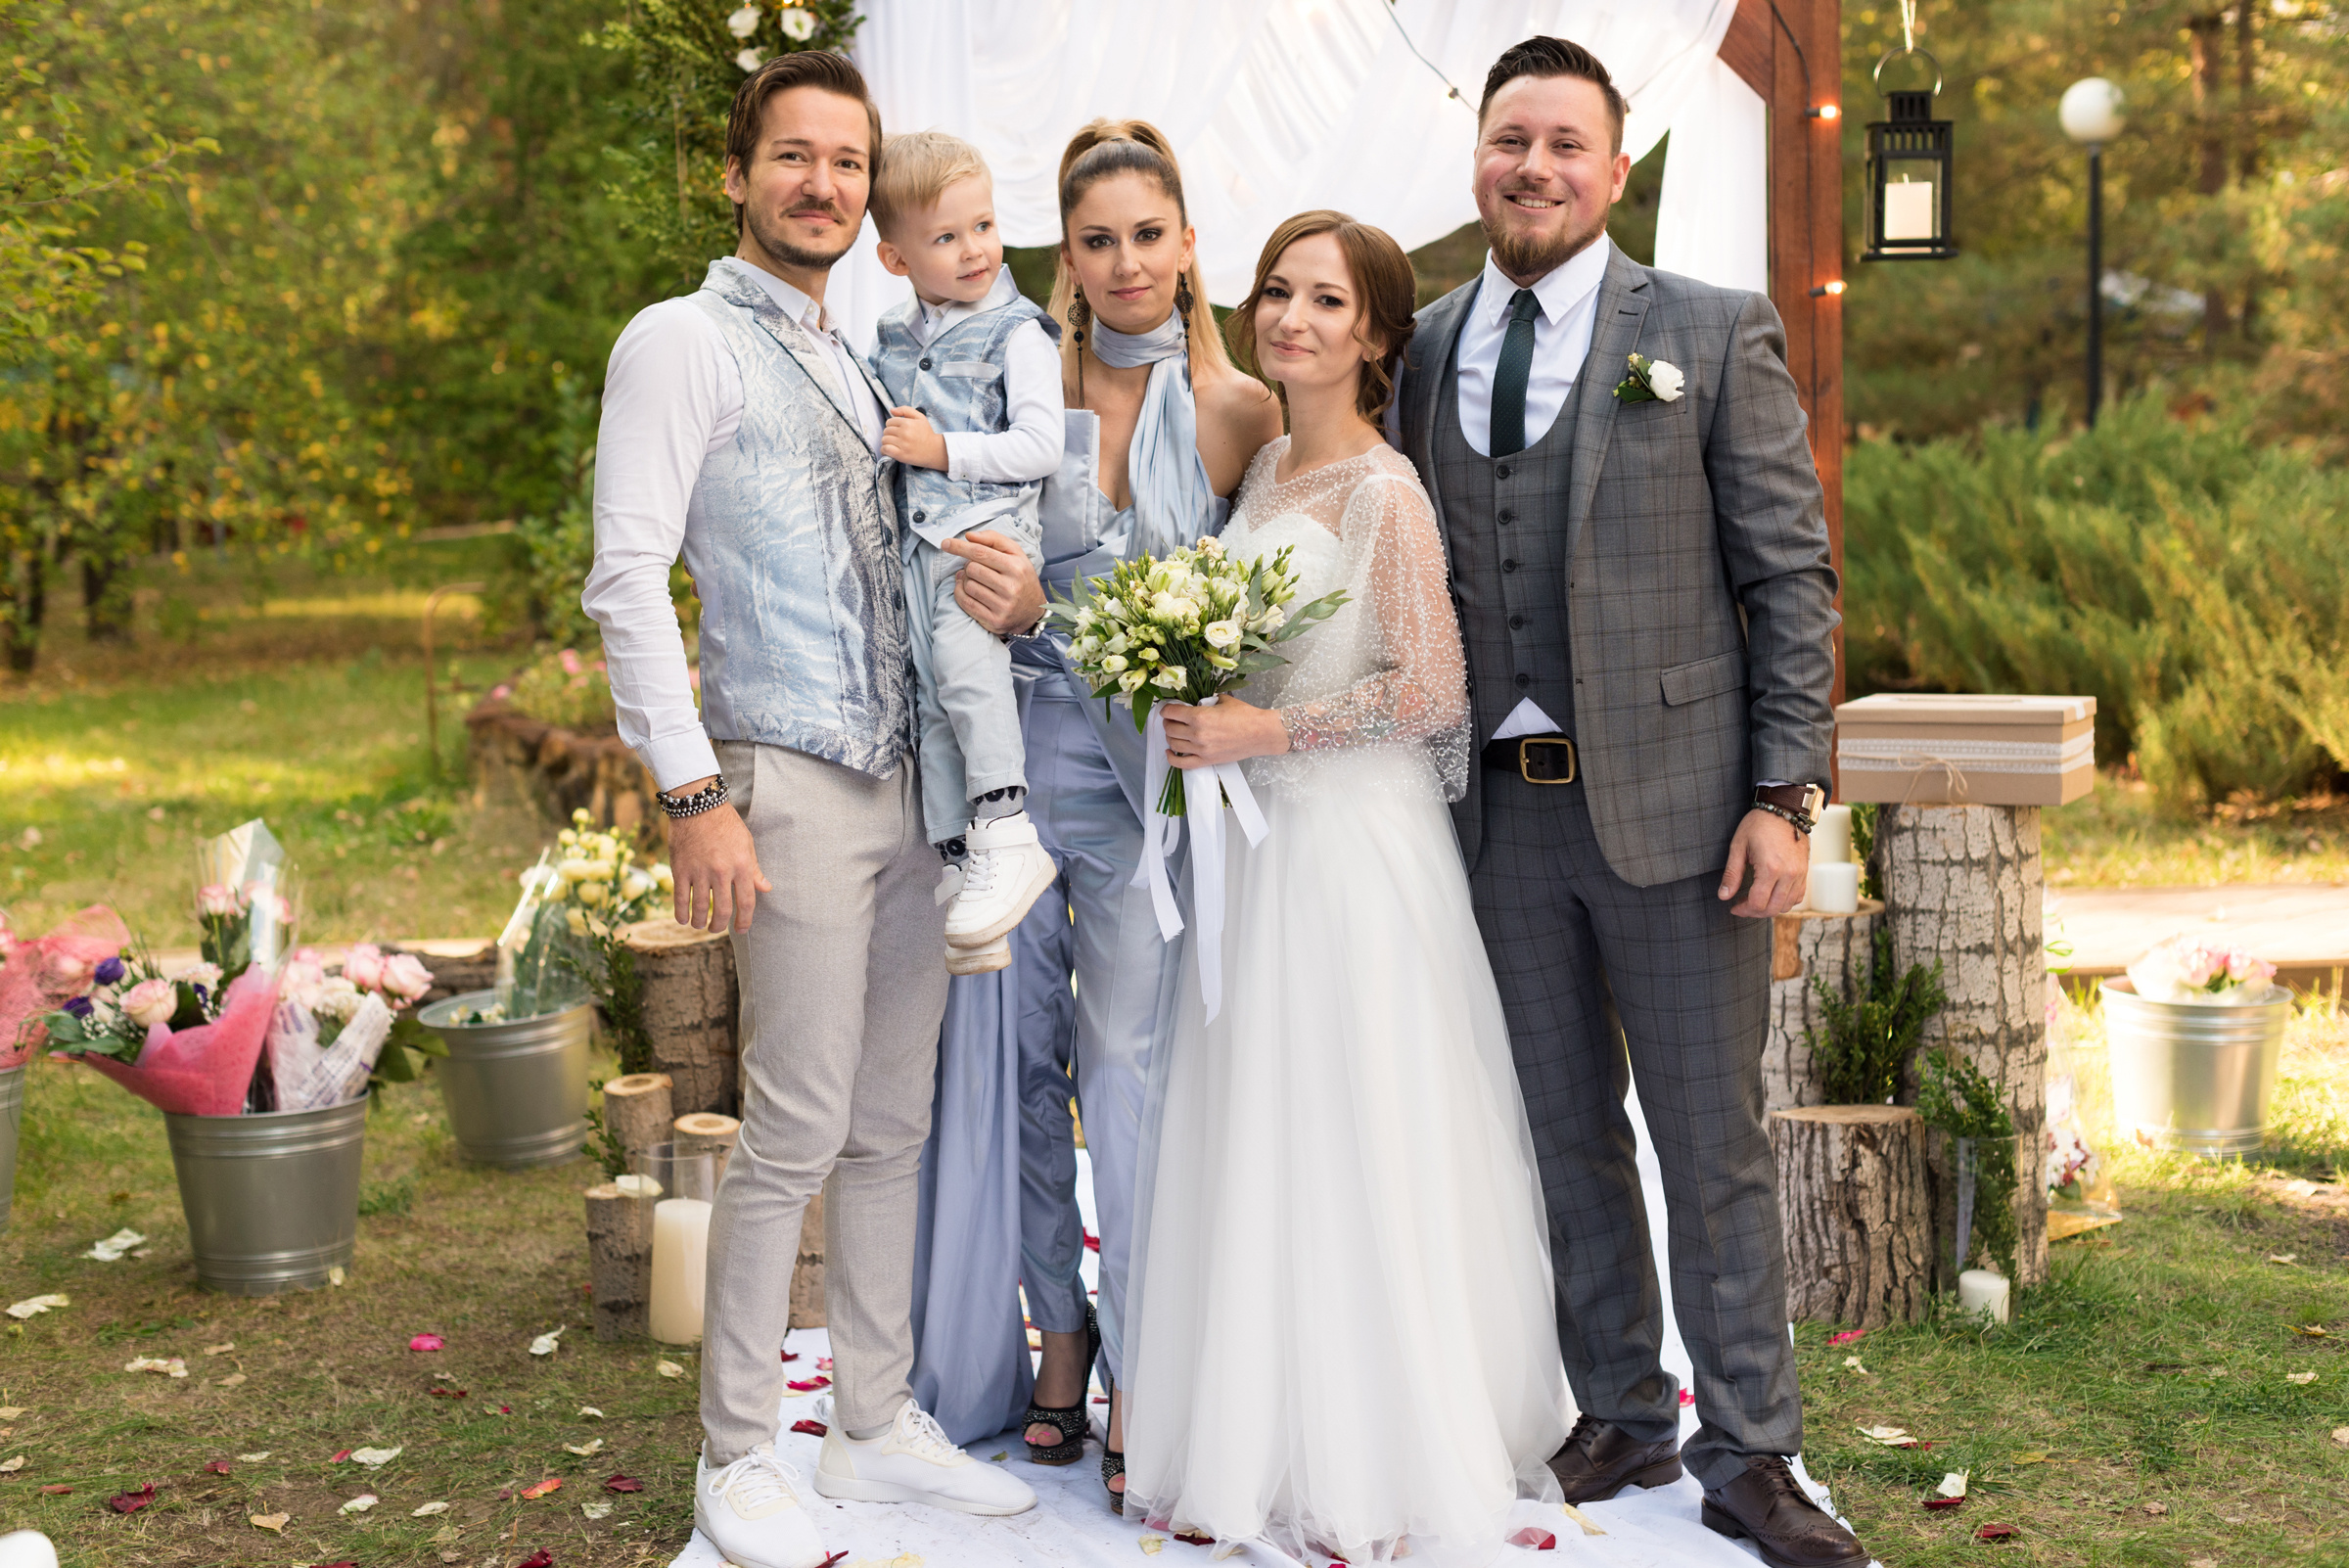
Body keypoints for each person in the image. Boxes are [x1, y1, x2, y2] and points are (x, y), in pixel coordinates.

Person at [1387, 37, 1863, 1568]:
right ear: (1478, 155)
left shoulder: (1712, 333)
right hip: (1496, 819)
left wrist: (1785, 795)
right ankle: (1620, 1405)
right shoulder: (1425, 342)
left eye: (1565, 144)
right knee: (1561, 1129)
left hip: (1679, 810)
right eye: (1509, 139)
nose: (1533, 167)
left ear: (1617, 164)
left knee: (1710, 1138)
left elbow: (1789, 577)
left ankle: (1752, 1443)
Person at [579, 52, 1036, 1568]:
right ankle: (738, 1453)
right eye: (795, 157)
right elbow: (627, 578)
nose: (825, 184)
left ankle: (870, 1419)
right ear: (737, 174)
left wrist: (1010, 599)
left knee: (890, 1119)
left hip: (914, 787)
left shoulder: (862, 353)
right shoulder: (679, 341)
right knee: (793, 1125)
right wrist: (694, 788)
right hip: (782, 773)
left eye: (847, 161)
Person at [1117, 210, 1571, 1566]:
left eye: (1324, 300)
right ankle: (1254, 1430)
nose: (1291, 318)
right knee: (1260, 1123)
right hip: (1259, 855)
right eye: (1276, 292)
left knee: (1355, 1124)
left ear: (1374, 334)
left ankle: (1381, 1447)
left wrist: (1266, 733)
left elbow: (1435, 693)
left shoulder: (1385, 490)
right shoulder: (1259, 468)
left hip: (1352, 849)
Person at [901, 120, 1281, 1500]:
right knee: (1010, 1061)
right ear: (1068, 256)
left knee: (1127, 1065)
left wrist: (1077, 616)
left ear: (1189, 245)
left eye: (1149, 233)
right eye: (1098, 238)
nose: (1125, 262)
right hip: (1014, 768)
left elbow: (1256, 619)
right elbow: (948, 534)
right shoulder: (1018, 378)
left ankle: (1150, 1356)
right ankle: (1051, 1331)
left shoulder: (1241, 410)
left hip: (1148, 793)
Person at [867, 130, 1063, 971]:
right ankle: (967, 861)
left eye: (984, 225)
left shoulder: (1017, 332)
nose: (976, 249)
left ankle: (1008, 827)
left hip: (985, 532)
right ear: (895, 257)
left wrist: (944, 451)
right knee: (933, 692)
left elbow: (1040, 447)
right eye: (946, 238)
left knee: (966, 671)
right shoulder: (890, 333)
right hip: (920, 540)